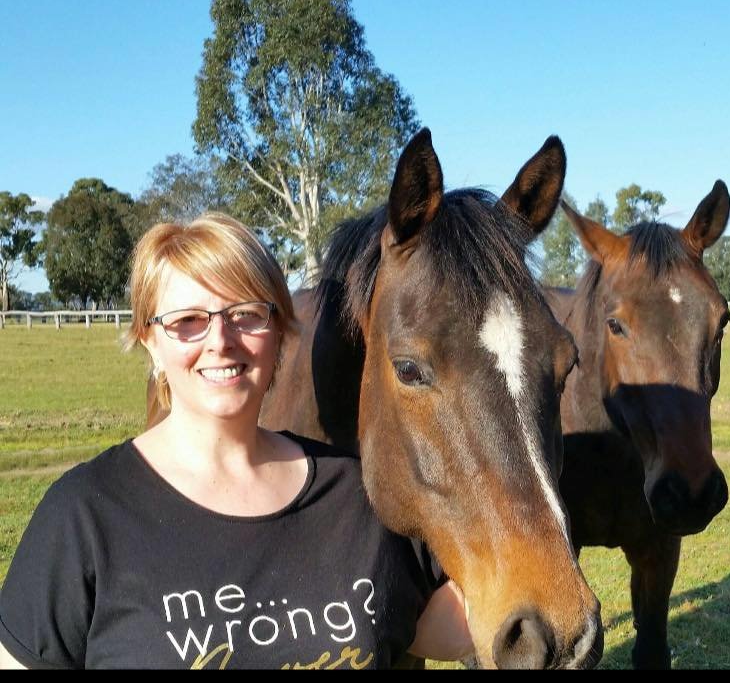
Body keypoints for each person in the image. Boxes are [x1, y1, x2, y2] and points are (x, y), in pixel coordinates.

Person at [0, 212, 471, 669]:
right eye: (187, 320)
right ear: (150, 341)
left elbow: (464, 621)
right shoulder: (84, 513)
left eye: (245, 314)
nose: (220, 340)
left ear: (280, 333)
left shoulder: (355, 496)